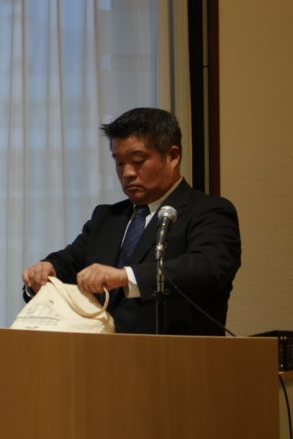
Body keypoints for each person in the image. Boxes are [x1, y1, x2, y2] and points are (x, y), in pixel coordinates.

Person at [22, 107, 241, 335]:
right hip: (100, 352)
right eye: (119, 163)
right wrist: (45, 270)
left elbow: (207, 269)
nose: (127, 173)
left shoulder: (209, 211)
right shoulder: (107, 218)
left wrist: (125, 277)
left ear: (173, 156)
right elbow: (68, 263)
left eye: (138, 161)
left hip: (176, 351)